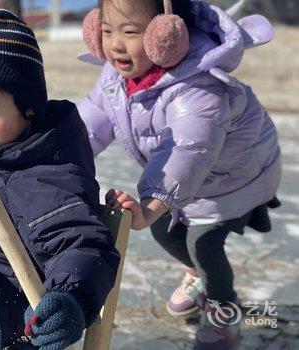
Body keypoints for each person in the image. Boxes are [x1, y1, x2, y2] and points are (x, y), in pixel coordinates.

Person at [77, 0, 282, 349]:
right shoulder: (115, 78)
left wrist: (152, 202)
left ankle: (222, 313)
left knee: (203, 246)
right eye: (107, 30)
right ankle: (196, 275)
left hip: (235, 179)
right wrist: (55, 153)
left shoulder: (200, 87)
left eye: (130, 32)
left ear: (166, 35)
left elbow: (188, 149)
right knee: (164, 231)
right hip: (191, 182)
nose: (114, 44)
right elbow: (91, 121)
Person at [0, 9, 120, 350]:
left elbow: (80, 244)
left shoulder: (46, 177)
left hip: (6, 313)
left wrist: (68, 299)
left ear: (27, 107)